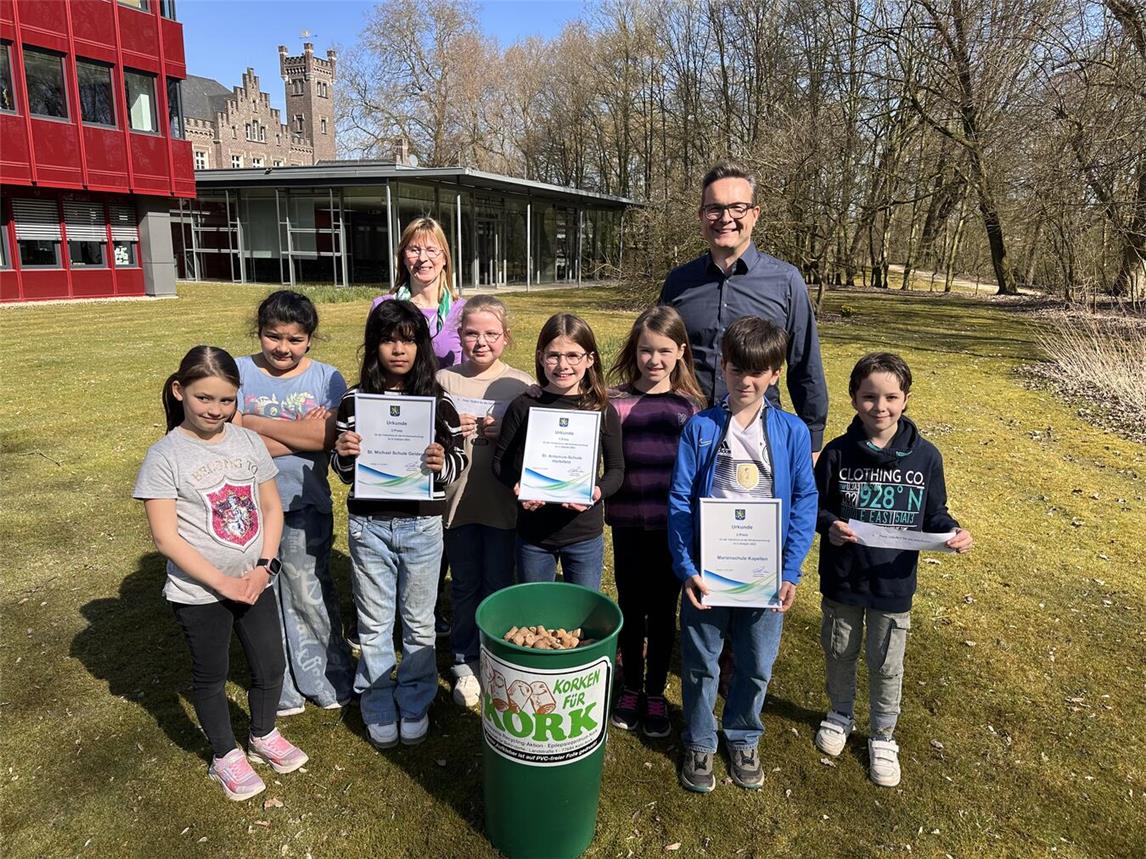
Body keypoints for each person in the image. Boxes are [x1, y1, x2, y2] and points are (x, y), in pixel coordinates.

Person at [133, 346, 308, 802]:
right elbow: (166, 538)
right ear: (180, 391)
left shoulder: (248, 440)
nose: (215, 410)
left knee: (270, 663)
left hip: (256, 581)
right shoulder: (165, 455)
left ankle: (263, 733)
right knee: (211, 675)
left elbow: (271, 506)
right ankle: (225, 754)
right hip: (200, 592)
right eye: (204, 398)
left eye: (226, 401)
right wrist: (223, 582)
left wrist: (264, 566)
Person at [667, 317, 818, 794]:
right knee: (700, 662)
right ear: (724, 368)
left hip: (764, 577)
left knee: (755, 663)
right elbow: (680, 501)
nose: (746, 381)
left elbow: (805, 503)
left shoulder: (792, 432)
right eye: (737, 370)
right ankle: (698, 738)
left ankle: (744, 734)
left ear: (776, 373)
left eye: (759, 372)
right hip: (708, 575)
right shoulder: (702, 428)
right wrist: (687, 568)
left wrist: (789, 569)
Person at [812, 352, 972, 787]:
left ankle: (883, 735)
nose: (879, 407)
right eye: (868, 397)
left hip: (894, 582)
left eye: (890, 397)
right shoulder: (837, 453)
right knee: (840, 650)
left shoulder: (926, 457)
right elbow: (816, 508)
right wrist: (830, 527)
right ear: (853, 398)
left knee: (887, 663)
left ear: (905, 399)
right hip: (844, 578)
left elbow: (935, 513)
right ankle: (839, 714)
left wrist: (953, 532)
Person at [332, 301, 467, 749]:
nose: (398, 349)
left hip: (421, 528)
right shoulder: (354, 400)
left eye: (408, 340)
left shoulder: (437, 401)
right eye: (389, 339)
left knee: (418, 622)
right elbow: (345, 471)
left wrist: (441, 461)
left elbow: (459, 458)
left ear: (421, 347)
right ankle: (375, 702)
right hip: (369, 528)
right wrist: (345, 455)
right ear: (374, 346)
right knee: (373, 625)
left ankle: (414, 700)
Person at [236, 290, 354, 718]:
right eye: (273, 336)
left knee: (308, 591)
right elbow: (231, 441)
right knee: (262, 595)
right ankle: (279, 685)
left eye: (294, 339)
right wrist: (298, 432)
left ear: (310, 340)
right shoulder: (239, 371)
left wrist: (253, 424)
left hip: (306, 503)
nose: (282, 348)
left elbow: (328, 439)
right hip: (246, 508)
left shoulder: (327, 378)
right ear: (260, 332)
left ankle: (325, 678)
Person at [659, 161, 828, 454]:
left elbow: (805, 366)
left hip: (758, 437)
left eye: (737, 208)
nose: (725, 218)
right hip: (686, 434)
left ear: (755, 214)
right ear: (701, 216)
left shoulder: (786, 282)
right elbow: (656, 356)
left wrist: (813, 443)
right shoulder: (678, 283)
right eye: (715, 209)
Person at [605, 306, 704, 738]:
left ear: (681, 351)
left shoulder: (694, 407)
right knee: (631, 604)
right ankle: (629, 688)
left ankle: (657, 691)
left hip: (672, 529)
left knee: (664, 612)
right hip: (626, 522)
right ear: (634, 350)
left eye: (665, 350)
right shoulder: (613, 400)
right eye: (646, 350)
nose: (655, 359)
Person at [436, 295, 533, 708]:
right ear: (459, 335)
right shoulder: (444, 381)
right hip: (457, 503)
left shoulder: (522, 384)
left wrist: (506, 437)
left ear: (506, 338)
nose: (481, 341)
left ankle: (495, 655)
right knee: (464, 584)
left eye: (491, 334)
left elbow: (537, 446)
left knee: (498, 582)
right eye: (472, 332)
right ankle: (463, 660)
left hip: (502, 506)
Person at [372, 216, 466, 639]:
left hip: (446, 426)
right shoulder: (383, 305)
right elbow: (374, 367)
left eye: (431, 249)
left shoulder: (463, 309)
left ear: (445, 256)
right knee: (397, 510)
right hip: (395, 427)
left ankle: (425, 606)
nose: (422, 257)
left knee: (438, 517)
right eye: (413, 248)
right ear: (402, 255)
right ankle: (385, 608)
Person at [492, 313, 624, 590]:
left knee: (583, 611)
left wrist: (596, 491)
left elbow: (616, 470)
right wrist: (520, 486)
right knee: (536, 612)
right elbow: (500, 462)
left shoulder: (601, 409)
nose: (563, 365)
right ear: (540, 357)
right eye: (554, 356)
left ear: (590, 359)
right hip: (533, 534)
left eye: (573, 356)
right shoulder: (524, 405)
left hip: (584, 532)